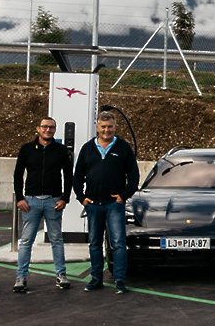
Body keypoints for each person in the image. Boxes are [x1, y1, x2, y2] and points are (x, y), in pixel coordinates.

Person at [73, 111, 139, 295]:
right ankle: (96, 279)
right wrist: (82, 198)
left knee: (118, 243)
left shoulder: (123, 147)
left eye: (110, 126)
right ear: (97, 127)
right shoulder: (88, 148)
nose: (106, 130)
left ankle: (119, 280)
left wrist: (123, 196)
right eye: (103, 127)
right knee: (95, 243)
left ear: (115, 127)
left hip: (114, 205)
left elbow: (134, 176)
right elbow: (77, 176)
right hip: (93, 205)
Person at [12, 117, 74, 292]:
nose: (48, 130)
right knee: (26, 241)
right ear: (38, 128)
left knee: (56, 239)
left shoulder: (61, 151)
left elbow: (69, 176)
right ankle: (21, 277)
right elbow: (17, 175)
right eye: (45, 127)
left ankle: (61, 275)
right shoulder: (27, 149)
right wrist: (20, 198)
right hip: (30, 201)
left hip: (53, 201)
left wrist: (65, 198)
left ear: (55, 130)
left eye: (51, 127)